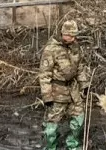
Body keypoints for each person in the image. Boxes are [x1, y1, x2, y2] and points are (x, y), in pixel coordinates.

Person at [38, 19, 89, 150]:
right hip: (57, 91)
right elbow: (44, 74)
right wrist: (47, 96)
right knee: (51, 128)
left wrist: (84, 84)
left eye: (74, 35)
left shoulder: (75, 47)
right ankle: (50, 147)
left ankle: (73, 145)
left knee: (79, 120)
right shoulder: (51, 49)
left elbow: (80, 67)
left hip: (73, 90)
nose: (73, 38)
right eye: (70, 35)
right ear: (63, 34)